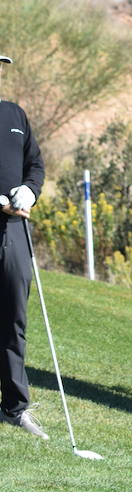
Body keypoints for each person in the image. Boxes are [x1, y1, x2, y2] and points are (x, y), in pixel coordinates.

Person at [0, 54, 49, 440]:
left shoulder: (15, 115)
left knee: (14, 319)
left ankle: (14, 408)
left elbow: (36, 164)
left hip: (13, 229)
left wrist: (30, 191)